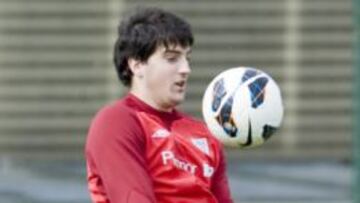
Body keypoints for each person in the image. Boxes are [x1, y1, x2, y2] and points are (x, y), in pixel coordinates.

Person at [85, 7, 234, 203]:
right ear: (136, 64)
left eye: (187, 59)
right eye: (172, 59)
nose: (186, 69)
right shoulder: (116, 122)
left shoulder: (205, 135)